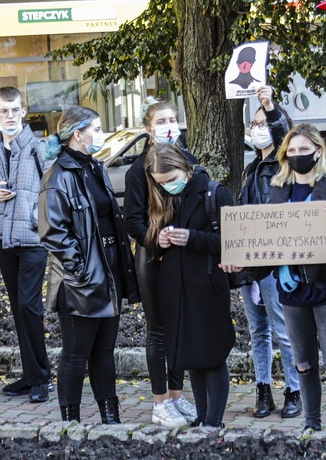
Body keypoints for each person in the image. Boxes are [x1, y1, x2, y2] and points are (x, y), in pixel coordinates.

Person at [258, 123, 326, 432]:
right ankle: (311, 424)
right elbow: (263, 238)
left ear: (319, 151)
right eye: (291, 150)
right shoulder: (277, 190)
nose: (297, 155)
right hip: (291, 290)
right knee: (302, 363)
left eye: (304, 149)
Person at [38, 106, 140, 424]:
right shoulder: (57, 176)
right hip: (79, 279)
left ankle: (110, 416)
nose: (101, 133)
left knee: (104, 352)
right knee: (75, 353)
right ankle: (71, 420)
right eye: (96, 128)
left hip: (107, 270)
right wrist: (81, 271)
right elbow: (53, 233)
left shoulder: (95, 167)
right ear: (77, 134)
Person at [145, 143, 235, 428]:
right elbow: (150, 237)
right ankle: (203, 418)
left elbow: (233, 242)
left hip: (207, 286)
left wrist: (192, 237)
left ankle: (213, 421)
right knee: (191, 356)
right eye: (161, 184)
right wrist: (158, 241)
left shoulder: (214, 193)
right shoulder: (168, 198)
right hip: (176, 288)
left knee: (212, 354)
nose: (167, 187)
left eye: (170, 180)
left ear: (183, 168)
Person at [122, 97, 199, 427]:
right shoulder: (137, 172)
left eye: (173, 119)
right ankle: (160, 401)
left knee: (180, 329)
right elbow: (133, 221)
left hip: (184, 257)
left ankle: (178, 395)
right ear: (149, 129)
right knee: (158, 331)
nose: (170, 126)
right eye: (162, 121)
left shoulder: (191, 163)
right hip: (153, 257)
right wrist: (156, 239)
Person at [0, 86, 54, 403]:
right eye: (3, 111)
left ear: (24, 112)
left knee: (28, 306)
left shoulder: (39, 147)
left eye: (14, 110)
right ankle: (31, 375)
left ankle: (42, 378)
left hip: (33, 239)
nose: (9, 116)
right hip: (4, 240)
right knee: (18, 310)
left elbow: (54, 190)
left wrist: (37, 215)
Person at [238, 86, 302, 419]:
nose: (257, 129)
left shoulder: (282, 166)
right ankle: (264, 390)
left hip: (277, 263)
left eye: (263, 123)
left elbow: (283, 140)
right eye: (254, 124)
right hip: (252, 265)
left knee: (283, 329)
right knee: (257, 330)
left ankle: (294, 390)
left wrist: (269, 106)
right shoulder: (251, 170)